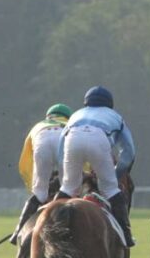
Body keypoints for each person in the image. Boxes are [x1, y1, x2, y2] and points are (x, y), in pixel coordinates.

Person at [57, 86, 136, 247]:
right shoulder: (115, 116)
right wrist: (115, 174)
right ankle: (126, 235)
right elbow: (129, 152)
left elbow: (60, 148)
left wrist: (67, 173)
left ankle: (49, 224)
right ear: (109, 104)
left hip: (72, 139)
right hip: (99, 140)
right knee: (111, 190)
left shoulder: (76, 114)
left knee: (68, 188)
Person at [9, 103, 72, 244]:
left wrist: (35, 184)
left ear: (48, 116)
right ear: (67, 117)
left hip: (42, 146)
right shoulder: (71, 124)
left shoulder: (38, 125)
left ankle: (18, 232)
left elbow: (26, 161)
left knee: (39, 194)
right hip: (65, 145)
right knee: (69, 190)